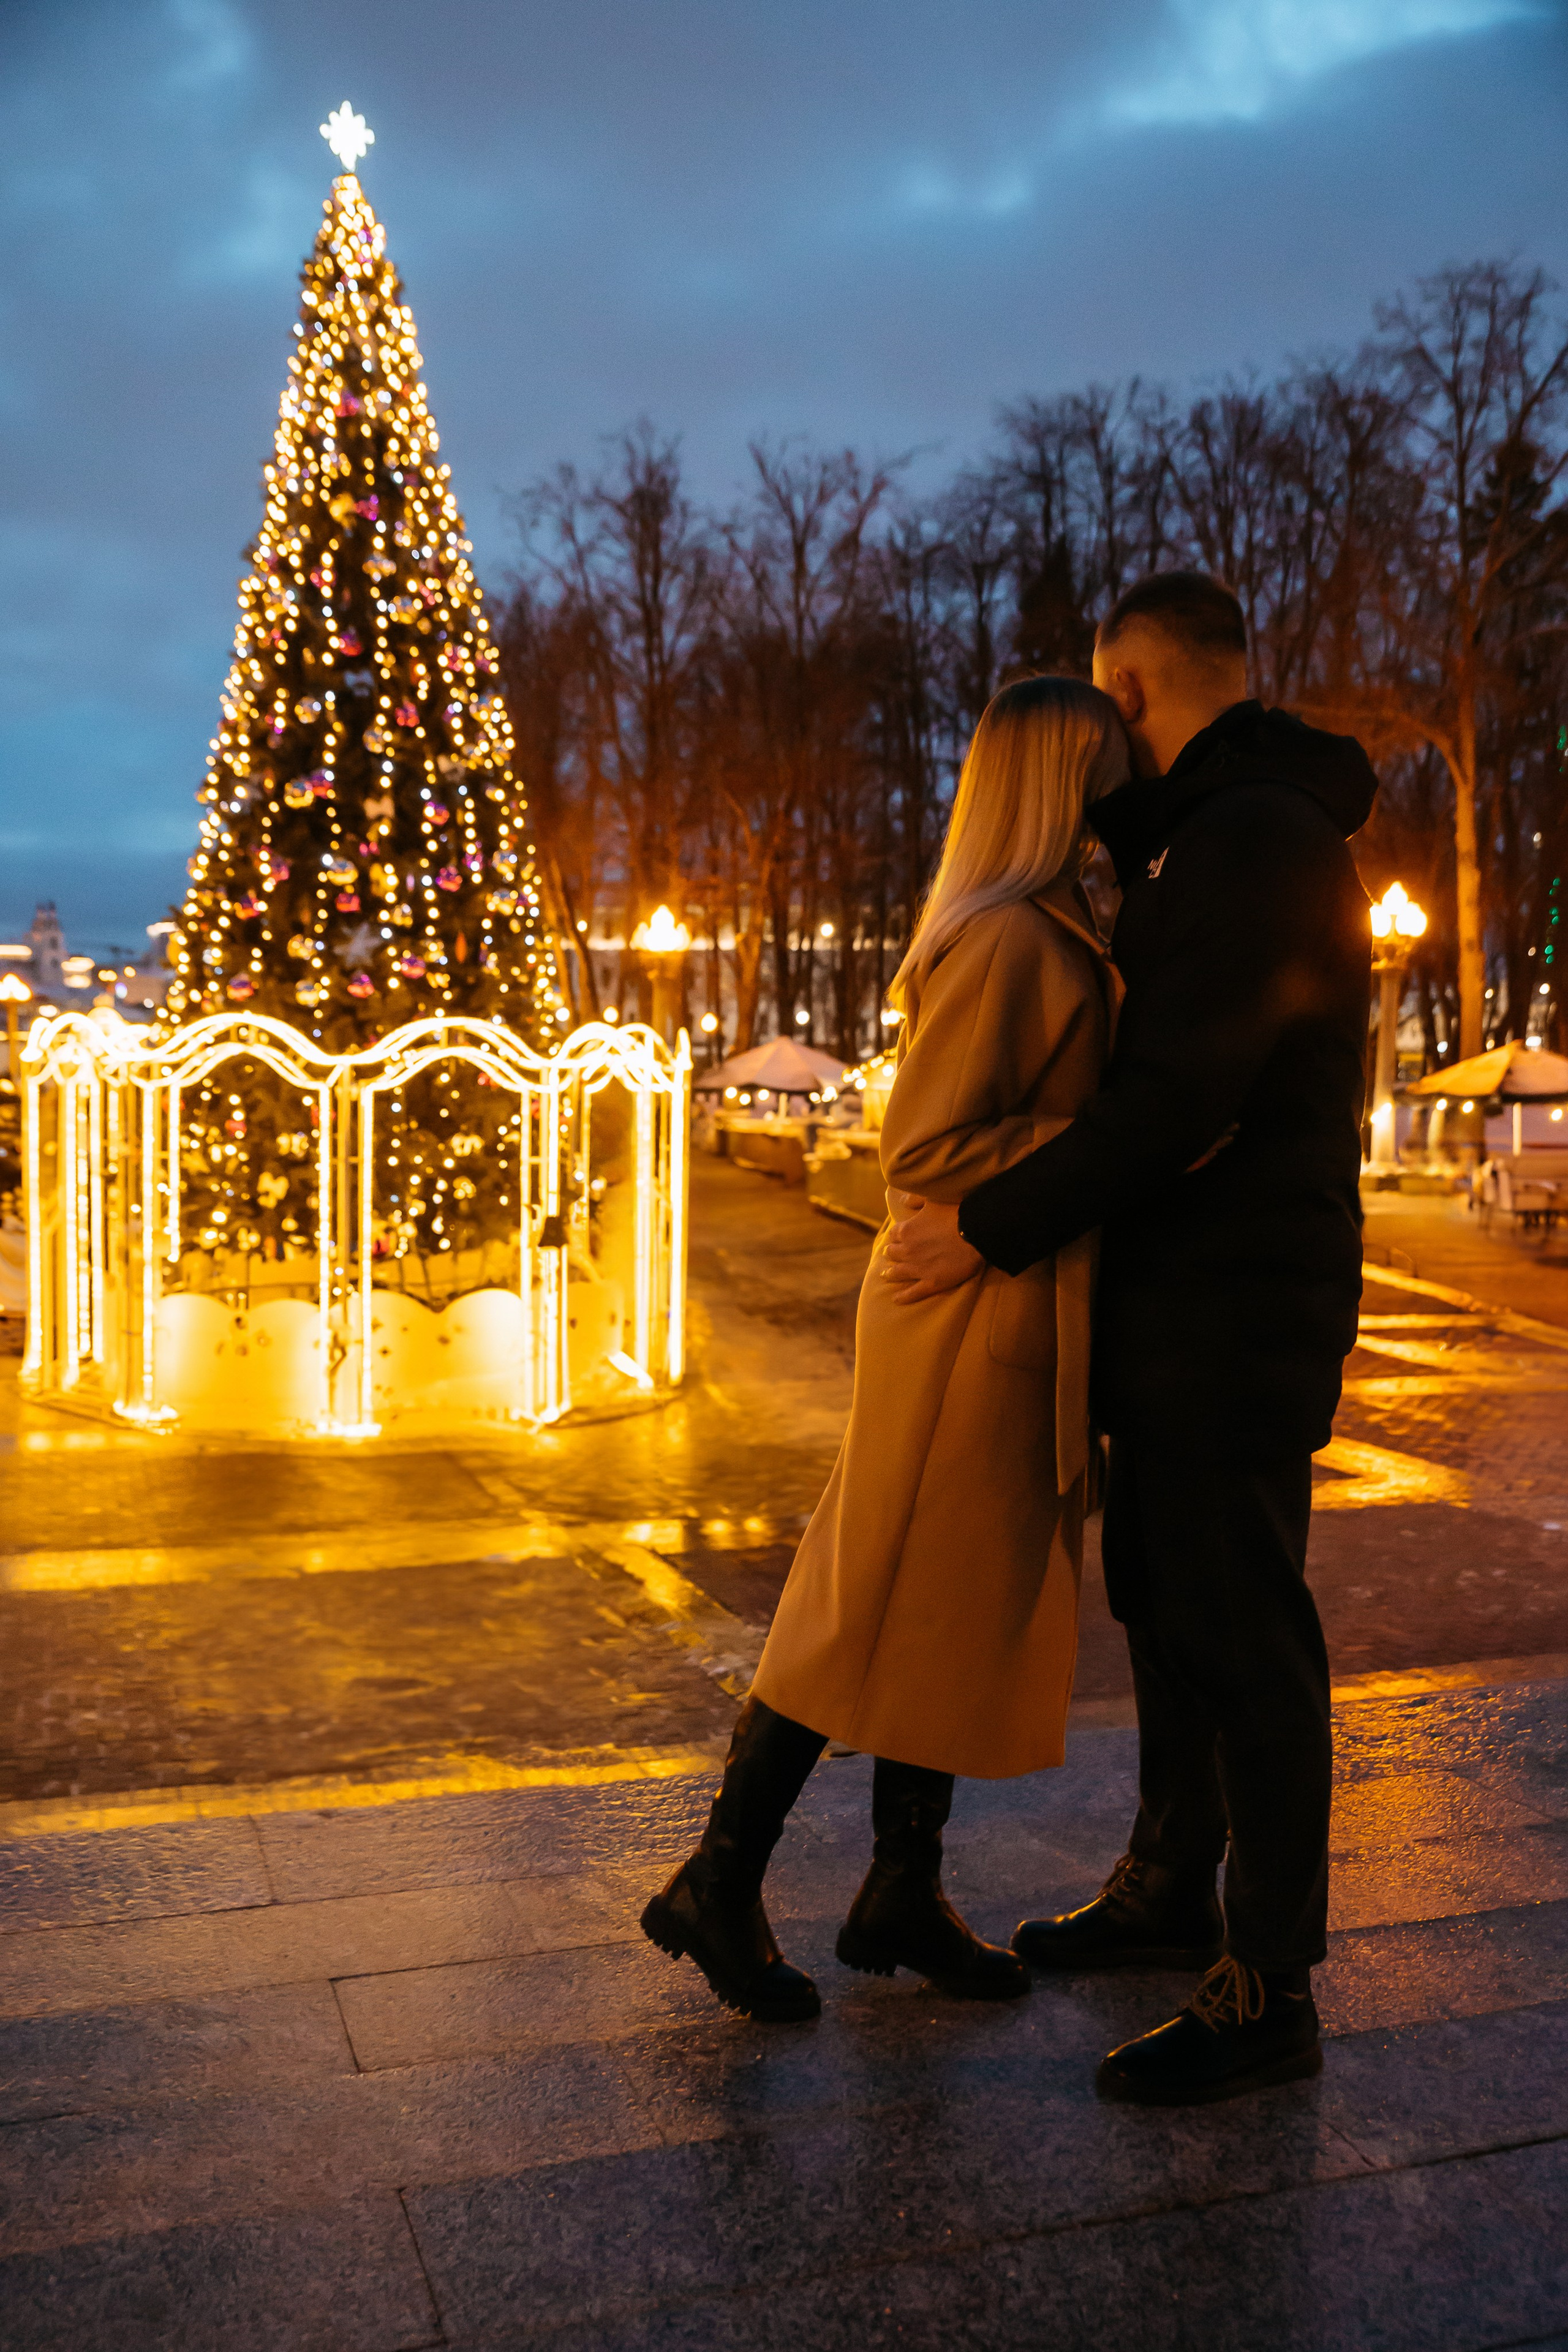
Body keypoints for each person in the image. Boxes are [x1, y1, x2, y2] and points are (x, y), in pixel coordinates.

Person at [884, 571, 1377, 2106]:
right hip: (1189, 1305)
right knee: (1166, 1603)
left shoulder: (1251, 839)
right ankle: (1170, 1885)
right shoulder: (1214, 832)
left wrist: (981, 1224)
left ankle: (1268, 1984)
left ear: (1131, 689)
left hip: (1238, 1308)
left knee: (1241, 1632)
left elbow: (1173, 1101)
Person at [641, 676, 1128, 2022]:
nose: (1125, 788)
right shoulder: (1010, 939)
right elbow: (924, 1145)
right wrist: (1106, 1149)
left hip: (982, 1300)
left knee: (936, 1597)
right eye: (1105, 766)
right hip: (962, 1309)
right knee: (870, 1594)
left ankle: (897, 1883)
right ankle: (720, 1875)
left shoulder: (1032, 924)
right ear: (1059, 781)